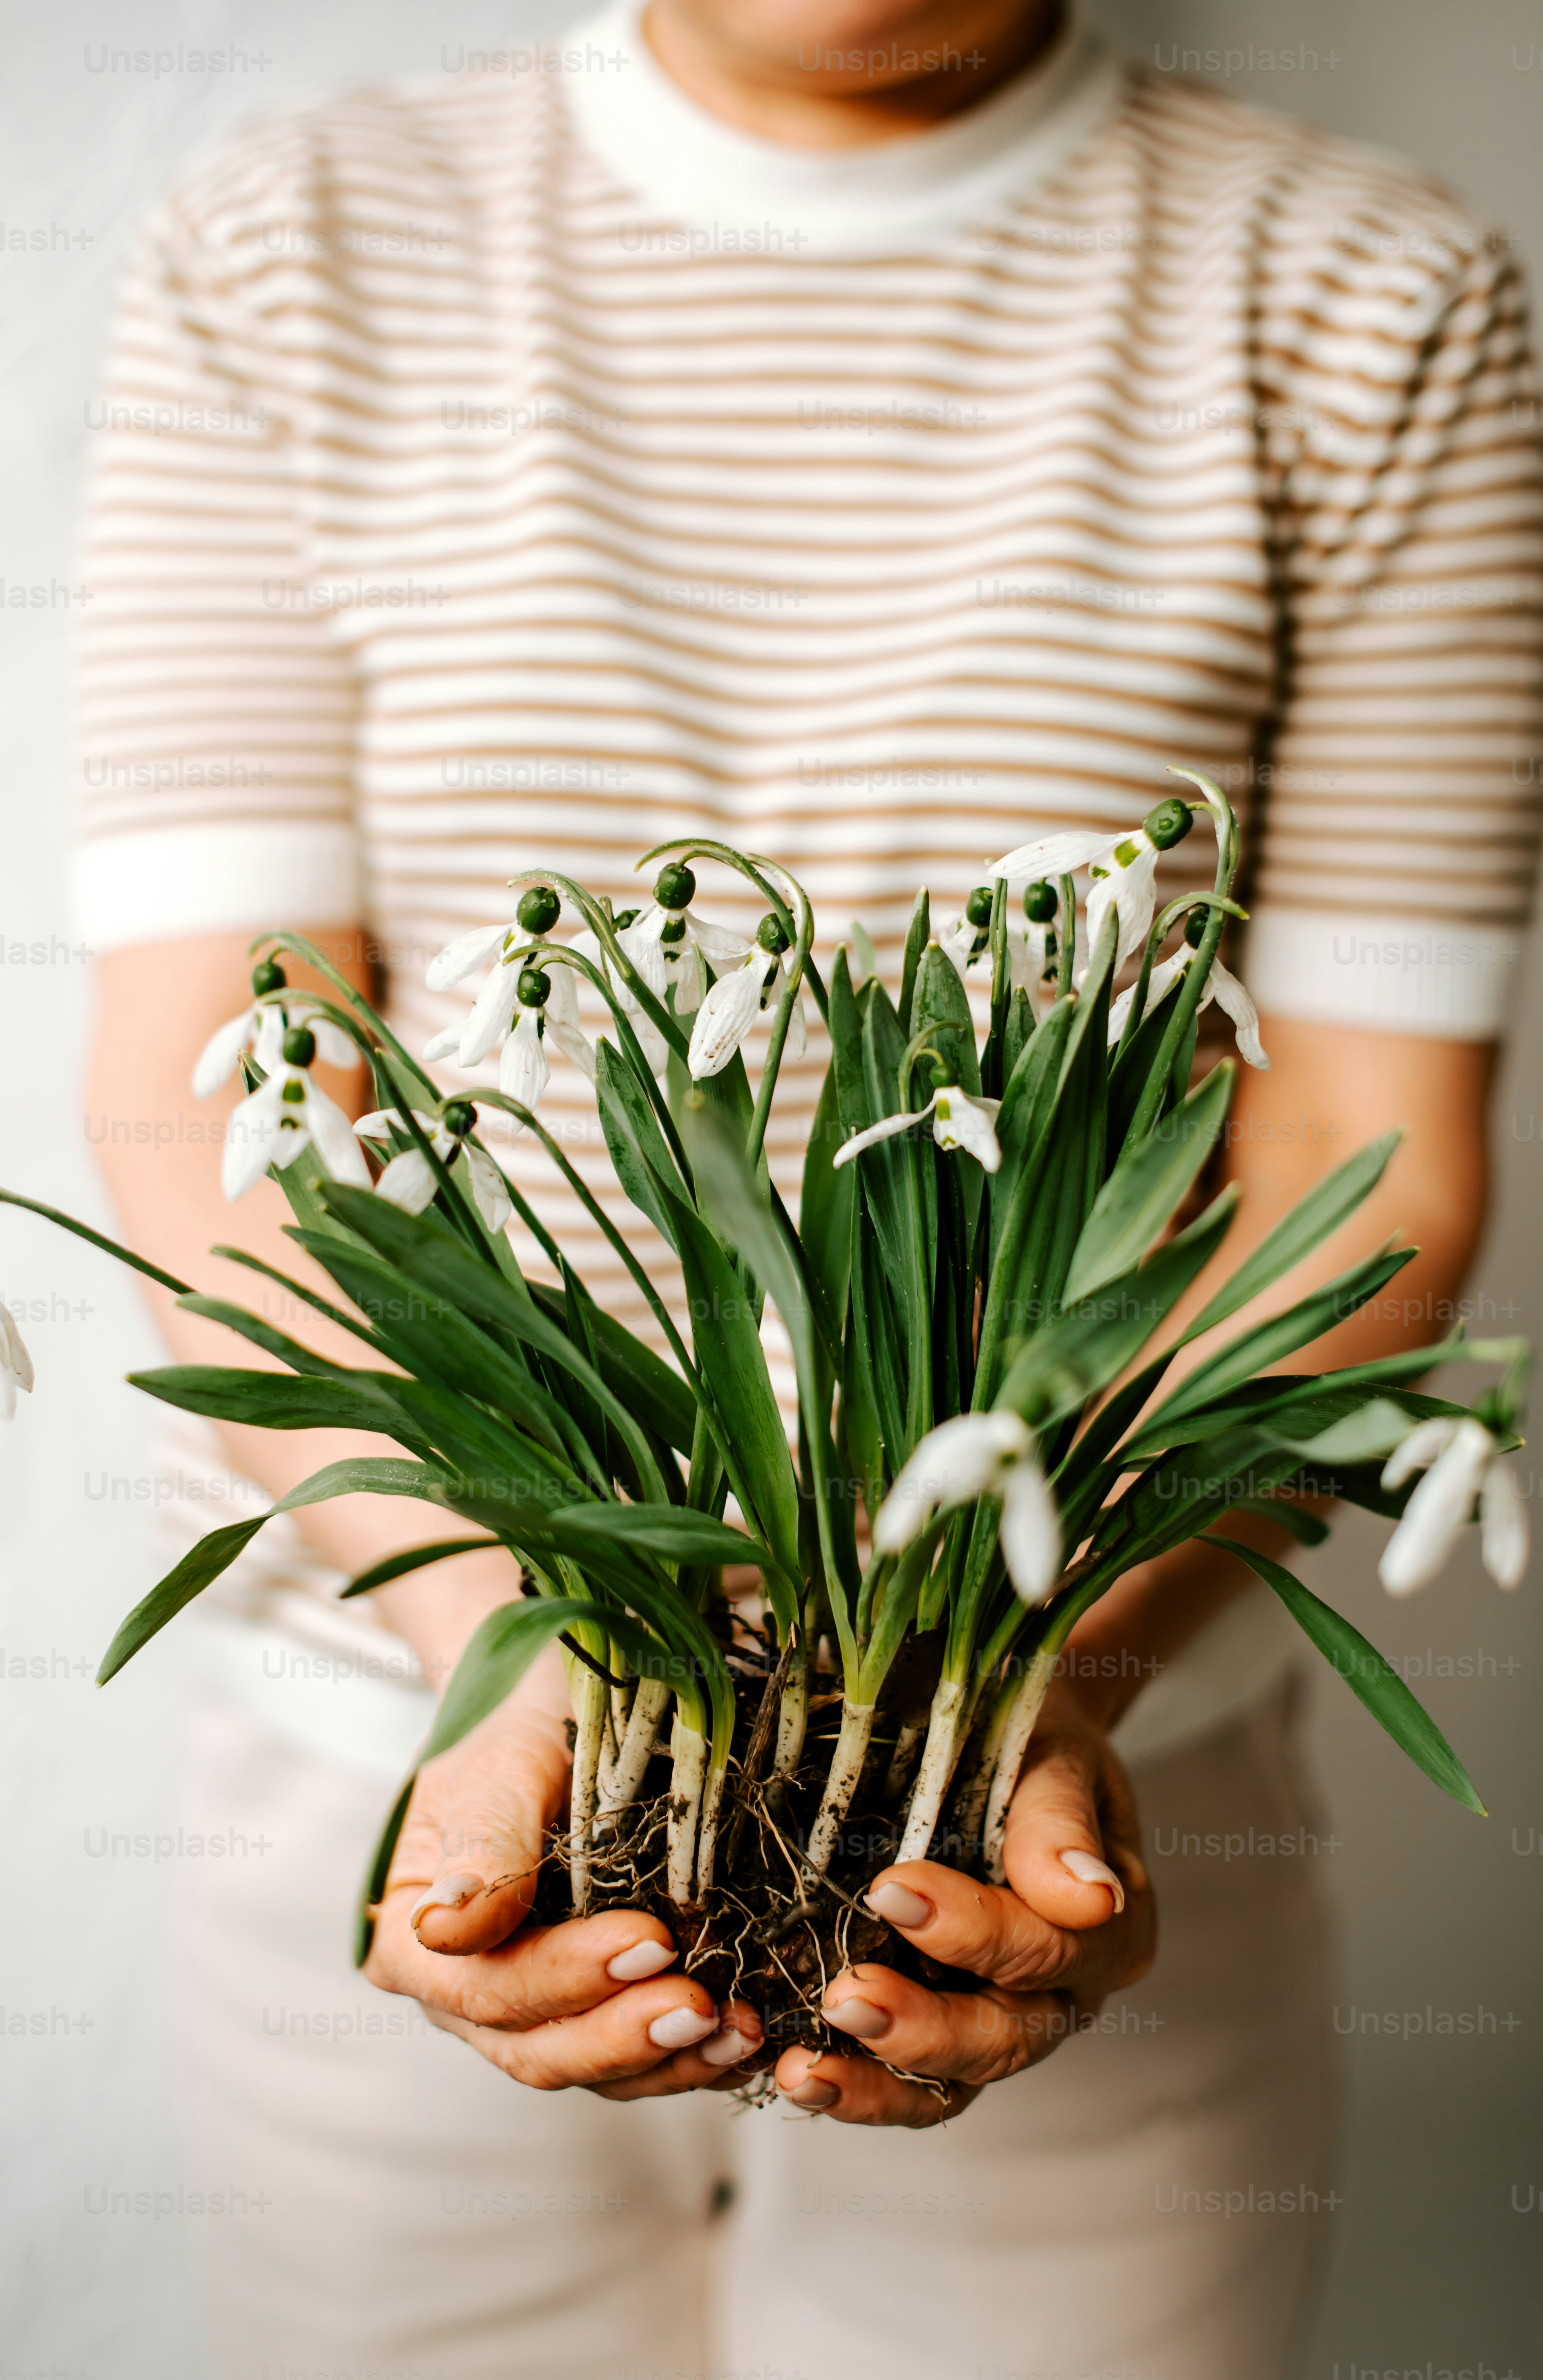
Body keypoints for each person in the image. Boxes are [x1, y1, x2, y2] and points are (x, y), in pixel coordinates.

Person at [78, 0, 1540, 2373]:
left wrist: (1033, 1679)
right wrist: (514, 1637)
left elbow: (1354, 1170)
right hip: (401, 1758)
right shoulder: (296, 245)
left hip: (1066, 1799)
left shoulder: (1367, 290)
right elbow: (211, 1101)